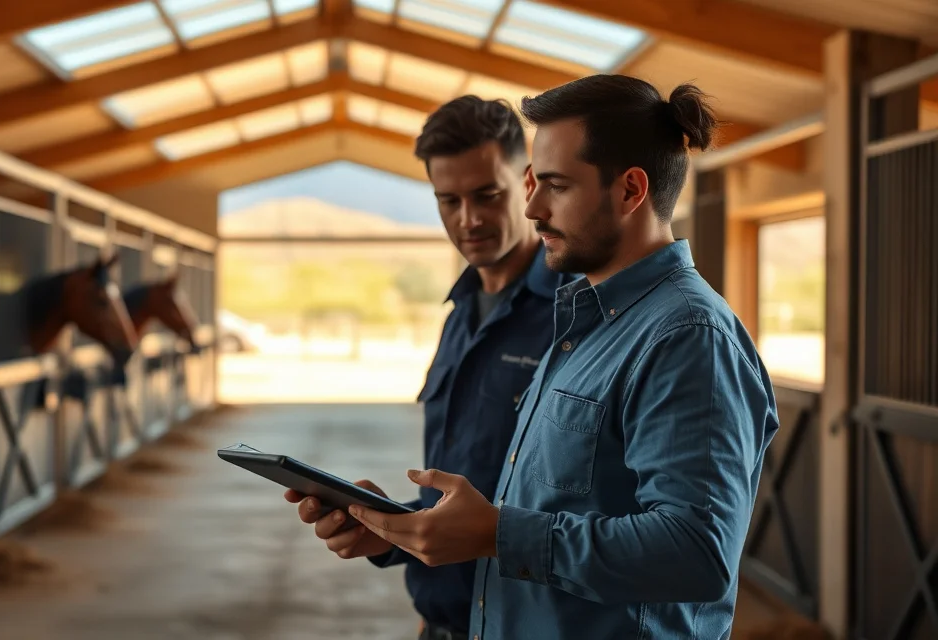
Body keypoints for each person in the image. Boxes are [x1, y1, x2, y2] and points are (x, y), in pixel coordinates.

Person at [339, 75, 780, 639]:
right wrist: (405, 527)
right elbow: (534, 501)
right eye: (532, 183)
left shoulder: (688, 336)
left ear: (629, 191)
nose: (533, 207)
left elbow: (696, 552)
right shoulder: (587, 322)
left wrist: (497, 534)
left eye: (555, 186)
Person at [284, 95, 576, 640]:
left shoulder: (575, 313)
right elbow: (458, 490)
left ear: (529, 182)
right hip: (441, 623)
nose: (468, 219)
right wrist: (386, 530)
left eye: (487, 195)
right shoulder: (459, 314)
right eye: (449, 200)